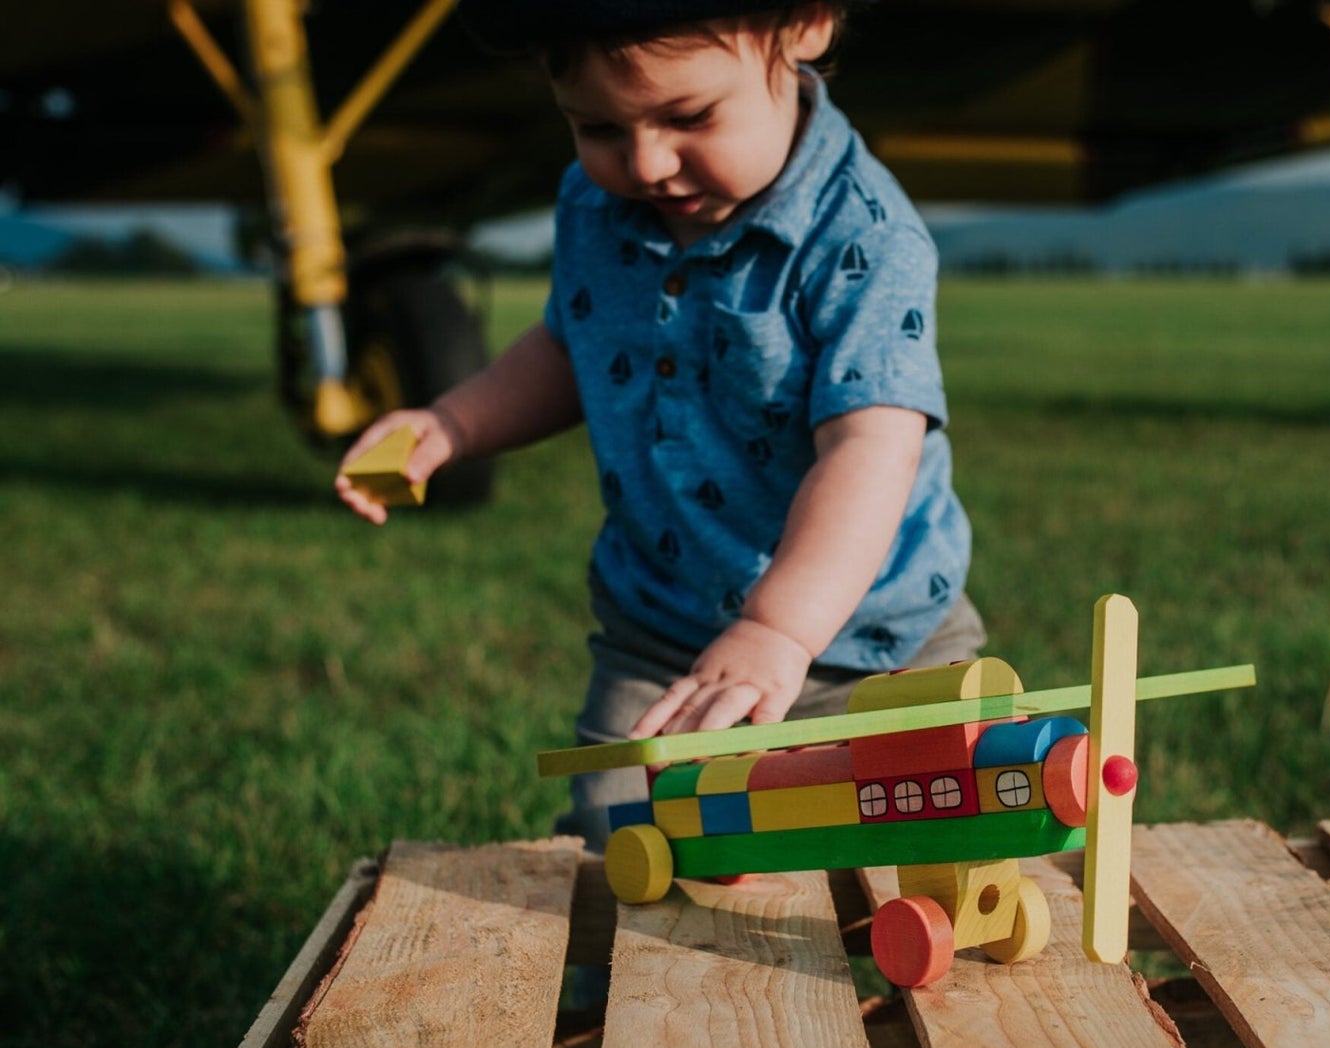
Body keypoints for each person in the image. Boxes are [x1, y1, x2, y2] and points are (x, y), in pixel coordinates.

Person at [333, 0, 982, 848]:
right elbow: (576, 341)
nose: (645, 163)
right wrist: (453, 422)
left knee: (930, 845)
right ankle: (611, 975)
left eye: (690, 116)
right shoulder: (594, 205)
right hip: (664, 631)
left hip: (880, 640)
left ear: (807, 28)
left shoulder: (861, 235)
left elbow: (871, 445)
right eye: (595, 126)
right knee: (626, 840)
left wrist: (776, 629)